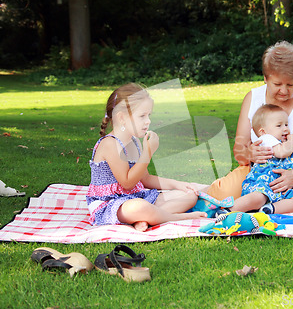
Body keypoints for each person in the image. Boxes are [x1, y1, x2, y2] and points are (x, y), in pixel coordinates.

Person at [207, 41, 293, 210]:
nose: (284, 91)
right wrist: (249, 154)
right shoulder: (253, 97)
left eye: (290, 85)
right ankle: (274, 202)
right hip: (258, 171)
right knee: (220, 193)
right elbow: (239, 150)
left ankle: (264, 203)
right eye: (277, 84)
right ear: (265, 78)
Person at [86, 83, 207, 232]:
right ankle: (177, 217)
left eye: (149, 115)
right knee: (139, 207)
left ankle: (147, 218)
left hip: (136, 197)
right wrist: (147, 153)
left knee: (188, 196)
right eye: (142, 116)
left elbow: (145, 179)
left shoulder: (134, 141)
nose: (148, 121)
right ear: (122, 118)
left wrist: (177, 184)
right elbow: (127, 183)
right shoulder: (110, 144)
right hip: (111, 204)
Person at [221, 103, 293, 215]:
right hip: (261, 185)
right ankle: (229, 210)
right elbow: (282, 152)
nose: (286, 129)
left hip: (279, 189)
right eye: (279, 126)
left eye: (286, 124)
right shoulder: (266, 140)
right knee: (258, 198)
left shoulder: (284, 144)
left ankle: (270, 209)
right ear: (263, 131)